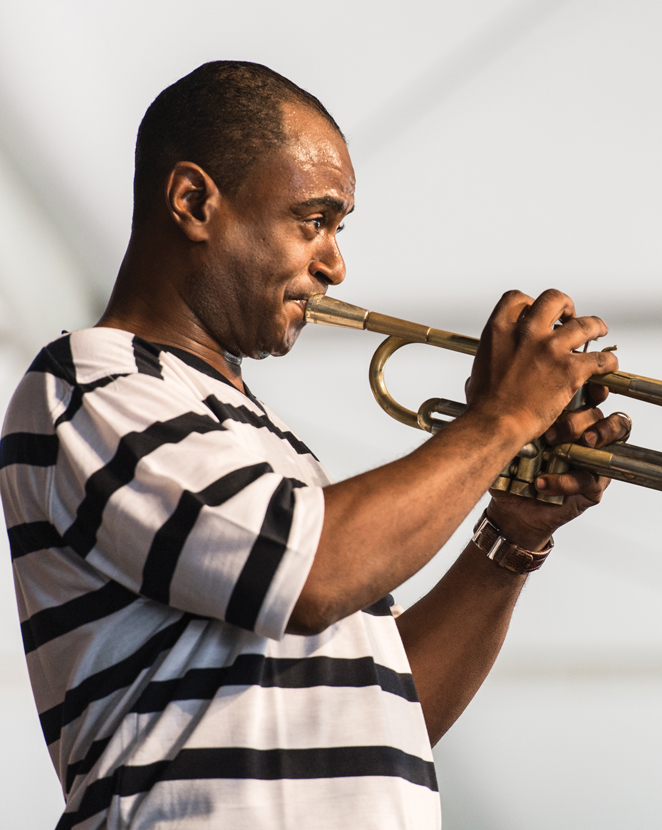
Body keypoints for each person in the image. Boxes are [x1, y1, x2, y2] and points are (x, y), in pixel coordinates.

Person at [1, 61, 627, 829]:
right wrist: (501, 422)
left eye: (338, 228)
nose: (334, 263)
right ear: (193, 202)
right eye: (314, 220)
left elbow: (385, 715)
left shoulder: (272, 449)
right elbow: (309, 579)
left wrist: (513, 534)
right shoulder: (93, 383)